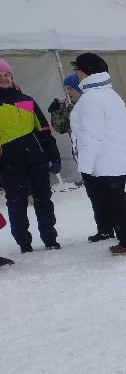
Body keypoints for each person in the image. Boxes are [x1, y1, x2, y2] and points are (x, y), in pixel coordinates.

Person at [69, 53, 126, 255]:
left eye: (77, 69)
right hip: (115, 158)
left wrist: (85, 167)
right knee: (116, 202)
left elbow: (92, 136)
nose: (76, 73)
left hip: (104, 161)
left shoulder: (91, 99)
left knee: (116, 204)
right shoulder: (110, 94)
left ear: (85, 71)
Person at [0, 57, 61, 253]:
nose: (4, 78)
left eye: (7, 74)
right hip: (8, 163)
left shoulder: (27, 99)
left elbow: (44, 130)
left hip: (36, 159)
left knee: (44, 199)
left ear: (12, 77)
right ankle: (24, 243)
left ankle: (50, 238)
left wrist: (54, 156)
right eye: (0, 76)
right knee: (17, 203)